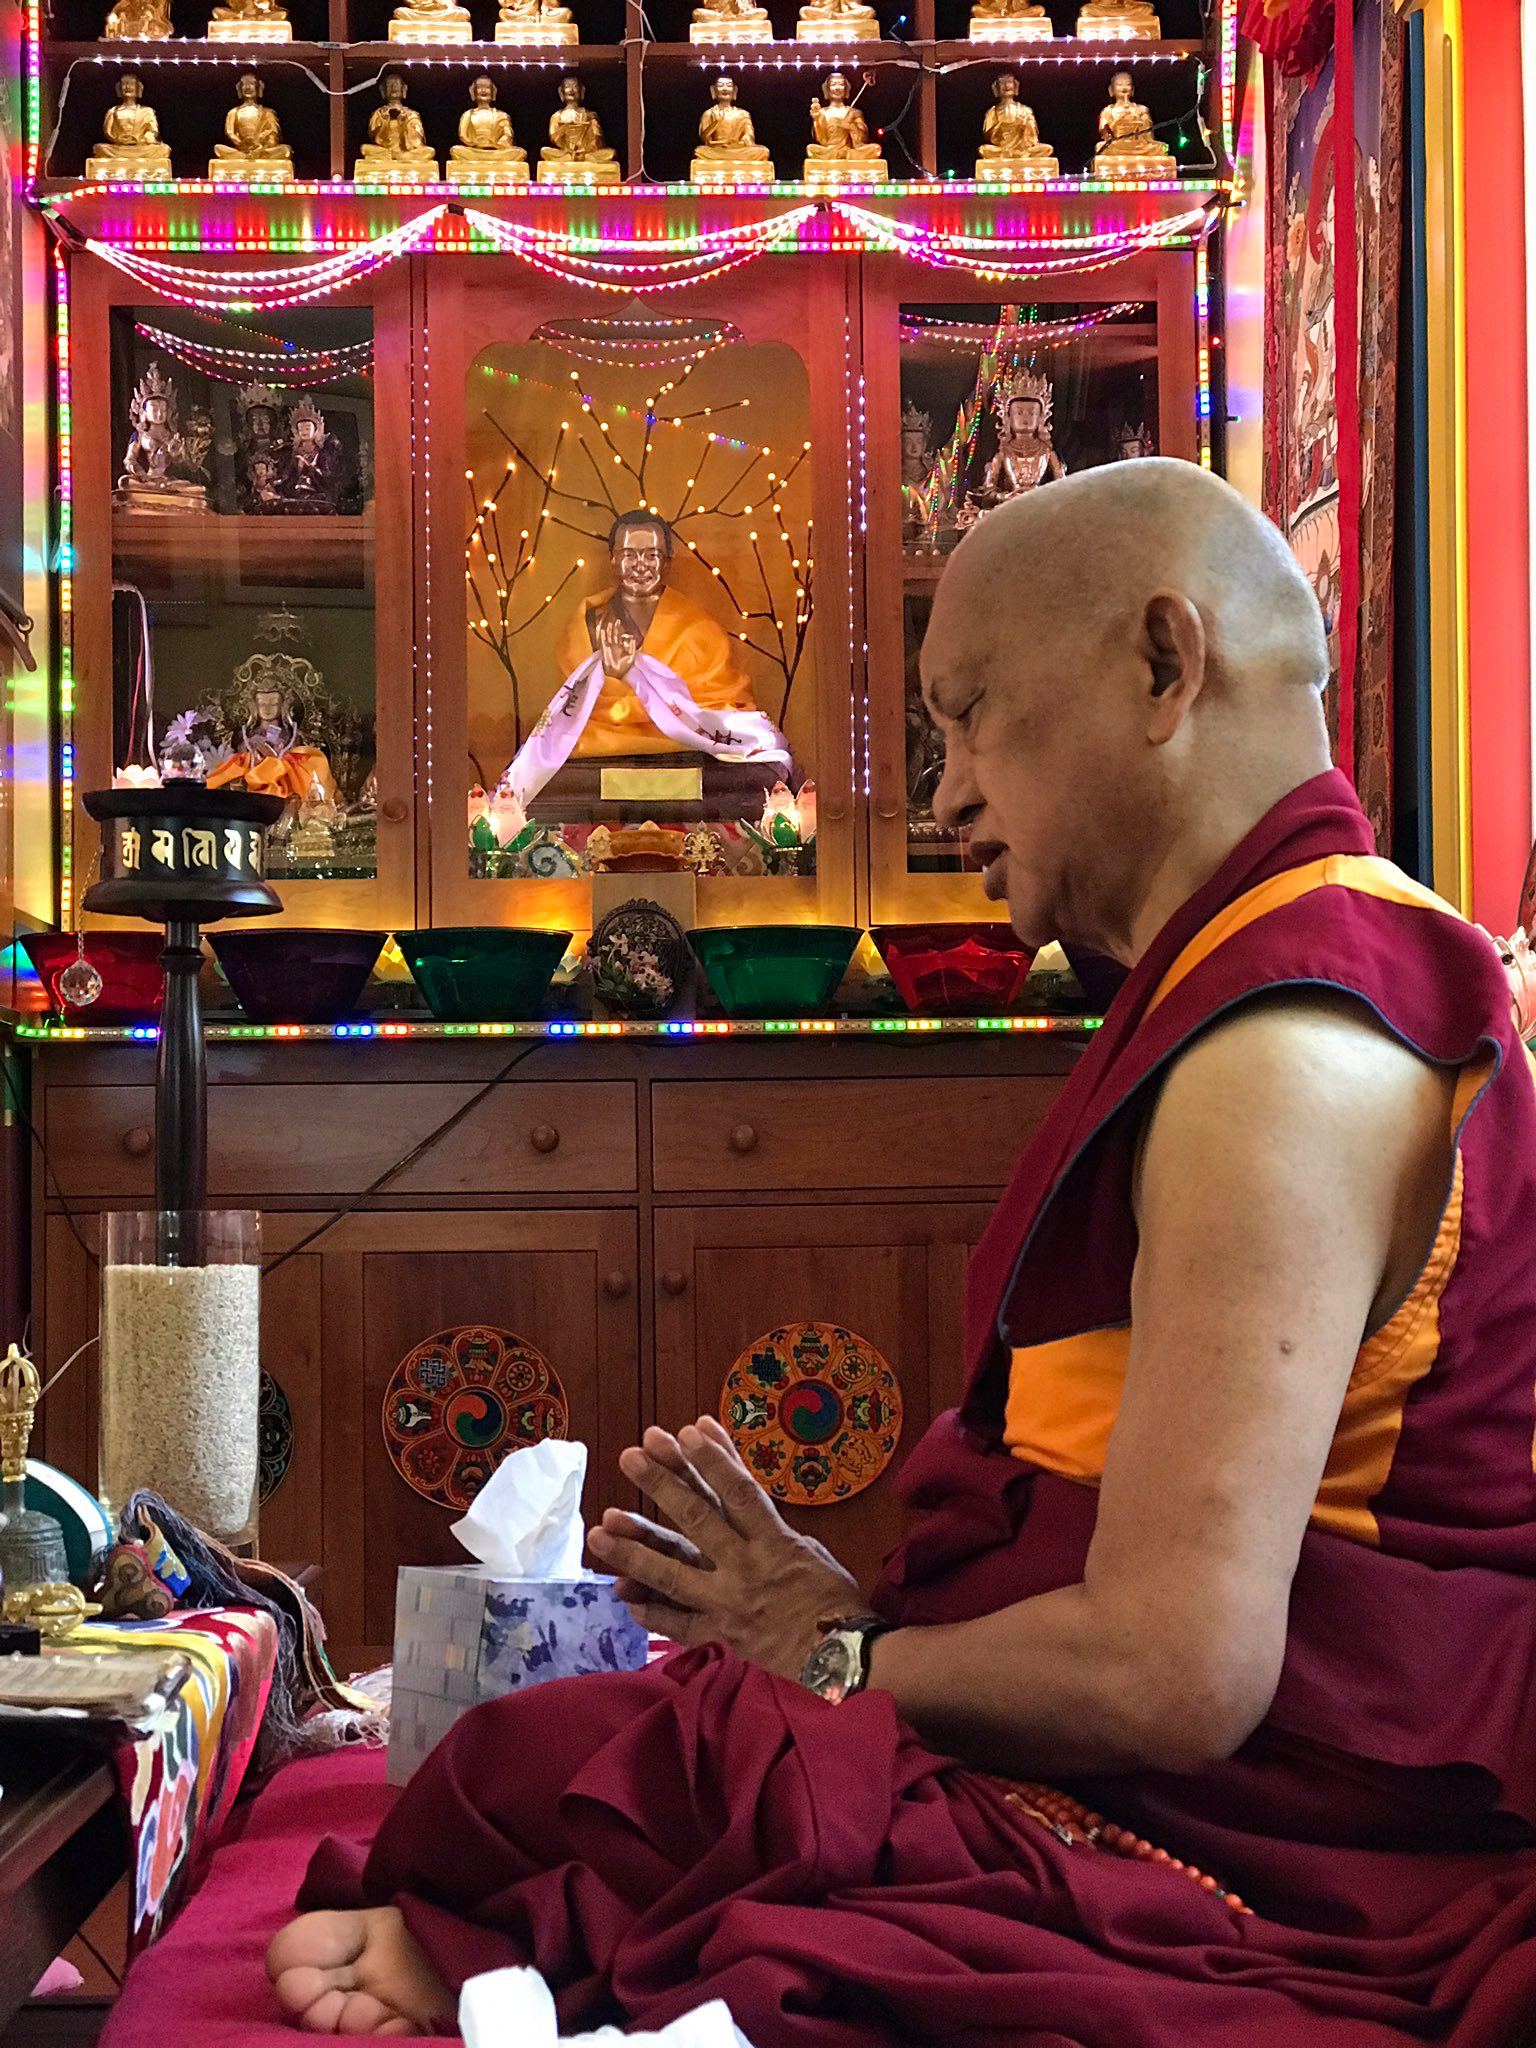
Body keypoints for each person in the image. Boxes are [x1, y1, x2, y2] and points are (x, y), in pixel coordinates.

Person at [268, 461, 1536, 2046]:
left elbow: (1177, 1675)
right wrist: (840, 1622)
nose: (941, 798)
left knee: (564, 1784)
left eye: (970, 718)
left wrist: (848, 1658)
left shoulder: (1286, 1055)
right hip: (1173, 1774)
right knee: (592, 1752)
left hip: (1260, 1850)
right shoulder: (1240, 988)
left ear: (1164, 663)